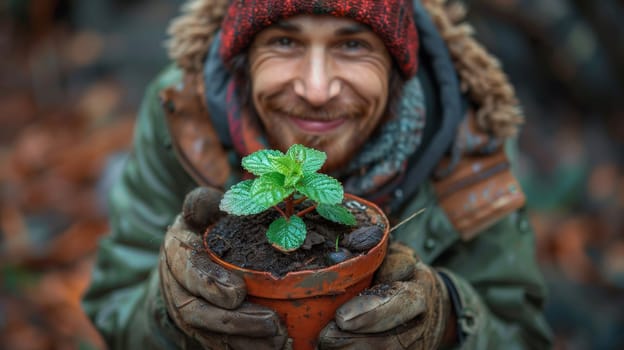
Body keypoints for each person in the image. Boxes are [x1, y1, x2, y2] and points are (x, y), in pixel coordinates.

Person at [82, 0, 553, 349]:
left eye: (352, 44)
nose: (316, 89)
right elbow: (114, 309)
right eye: (284, 41)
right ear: (243, 56)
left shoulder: (472, 134)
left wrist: (446, 320)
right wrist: (170, 307)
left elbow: (521, 332)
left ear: (397, 63)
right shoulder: (181, 112)